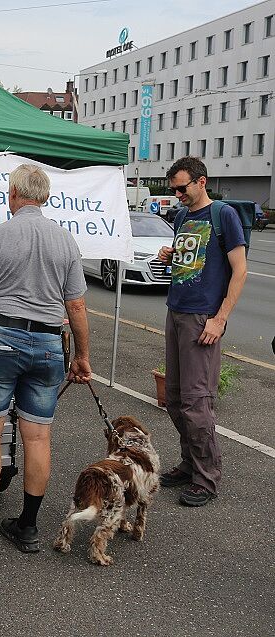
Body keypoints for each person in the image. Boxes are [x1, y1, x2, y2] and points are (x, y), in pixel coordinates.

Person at [0, 164, 92, 556]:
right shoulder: (65, 241)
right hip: (48, 345)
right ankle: (27, 528)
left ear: (12, 194)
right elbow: (76, 306)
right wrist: (82, 356)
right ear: (44, 196)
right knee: (38, 436)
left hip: (1, 341)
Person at [156, 157, 247, 507]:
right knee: (175, 399)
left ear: (201, 181)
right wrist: (170, 255)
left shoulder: (223, 215)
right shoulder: (182, 217)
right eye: (173, 189)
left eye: (182, 187)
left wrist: (220, 318)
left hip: (202, 318)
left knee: (197, 402)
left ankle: (206, 477)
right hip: (176, 311)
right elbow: (189, 261)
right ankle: (190, 462)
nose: (177, 194)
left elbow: (239, 271)